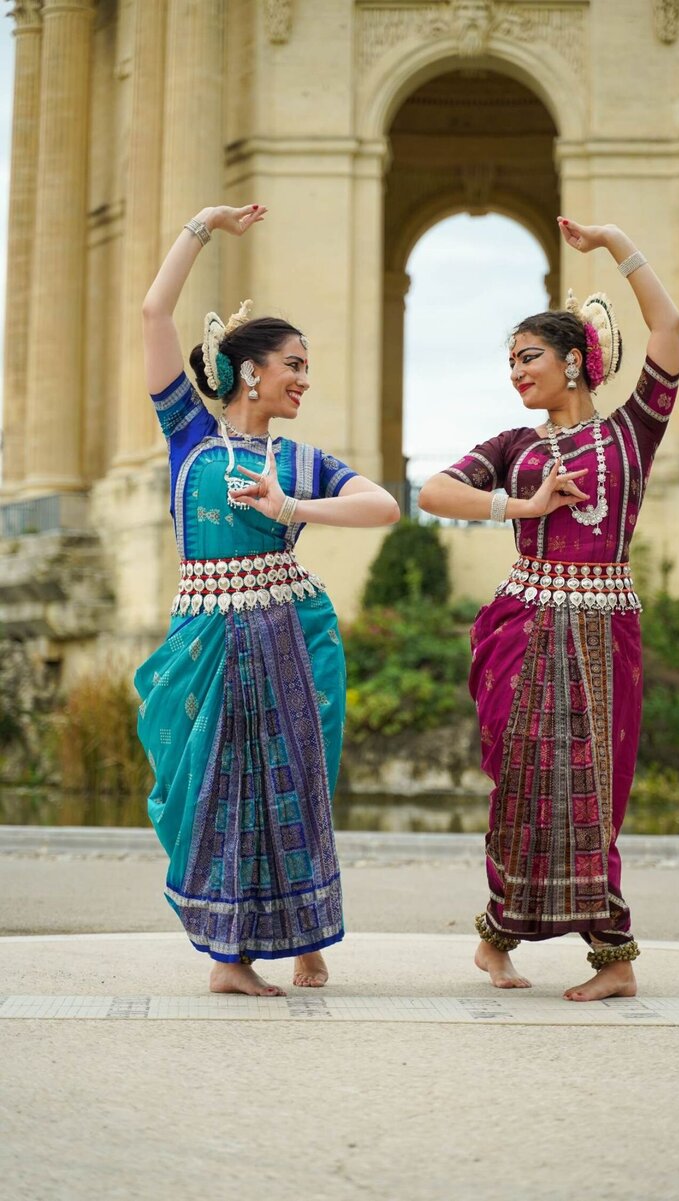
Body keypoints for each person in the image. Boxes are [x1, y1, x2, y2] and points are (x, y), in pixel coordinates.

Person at [136, 203, 400, 996]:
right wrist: (202, 226)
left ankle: (305, 938)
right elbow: (154, 311)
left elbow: (383, 505)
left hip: (289, 631)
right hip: (208, 639)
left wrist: (293, 507)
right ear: (251, 370)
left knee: (298, 781)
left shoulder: (298, 459)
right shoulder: (189, 433)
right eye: (294, 364)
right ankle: (228, 956)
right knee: (213, 786)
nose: (304, 380)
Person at [418, 217, 679, 1001]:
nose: (516, 372)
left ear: (575, 361)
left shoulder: (633, 432)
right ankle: (497, 941)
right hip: (525, 629)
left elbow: (668, 325)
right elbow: (435, 491)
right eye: (509, 361)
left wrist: (616, 244)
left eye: (528, 357)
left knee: (593, 788)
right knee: (523, 787)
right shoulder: (514, 444)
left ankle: (616, 957)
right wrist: (520, 506)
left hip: (605, 632)